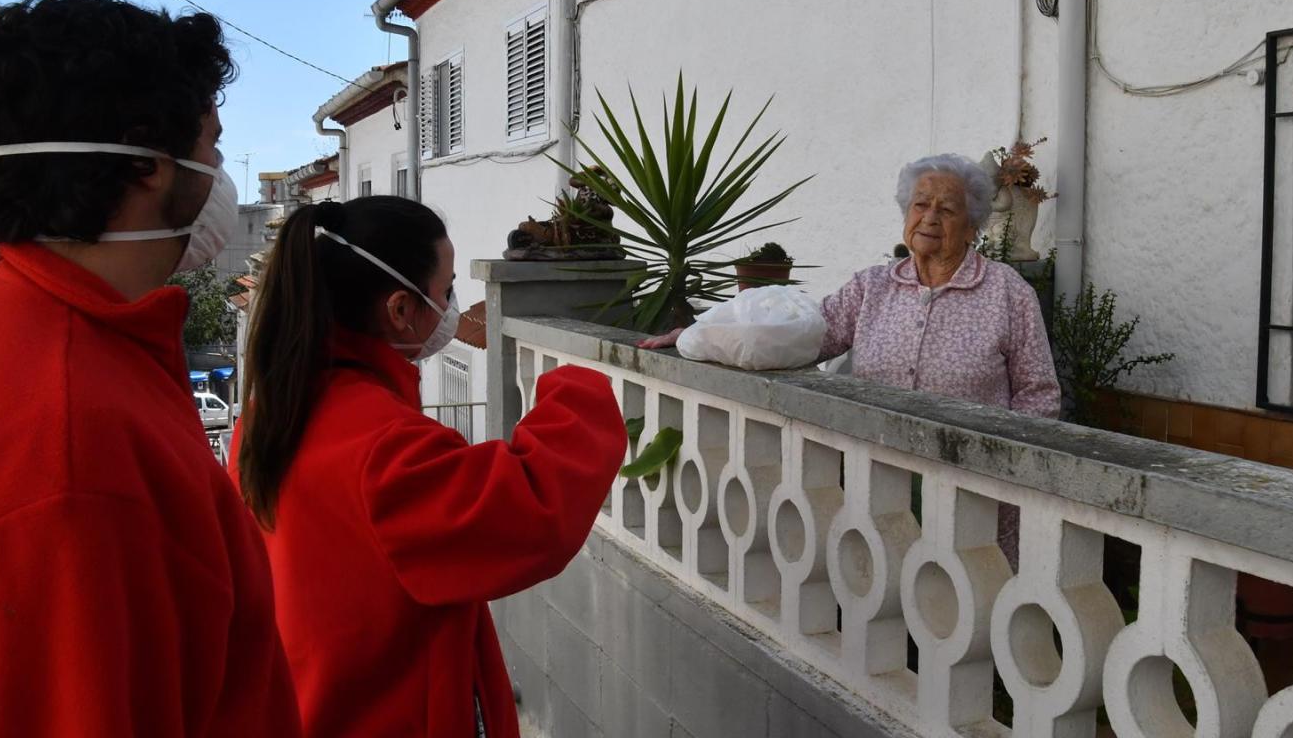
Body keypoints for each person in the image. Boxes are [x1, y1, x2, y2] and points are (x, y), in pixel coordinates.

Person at [0, 0, 300, 737]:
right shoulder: (66, 439)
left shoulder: (22, 342)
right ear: (150, 163)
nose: (221, 171)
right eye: (212, 146)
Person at [233, 196, 625, 738]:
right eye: (444, 292)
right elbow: (531, 508)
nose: (452, 310)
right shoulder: (384, 446)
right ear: (399, 309)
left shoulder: (271, 411)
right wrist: (578, 383)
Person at [644, 153, 1060, 556]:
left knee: (966, 605)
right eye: (920, 204)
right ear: (905, 215)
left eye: (947, 209)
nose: (930, 217)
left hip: (972, 494)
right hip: (877, 482)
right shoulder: (872, 287)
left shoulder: (1007, 292)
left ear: (972, 227)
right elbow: (803, 338)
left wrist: (998, 473)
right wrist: (700, 335)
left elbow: (1038, 395)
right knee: (881, 601)